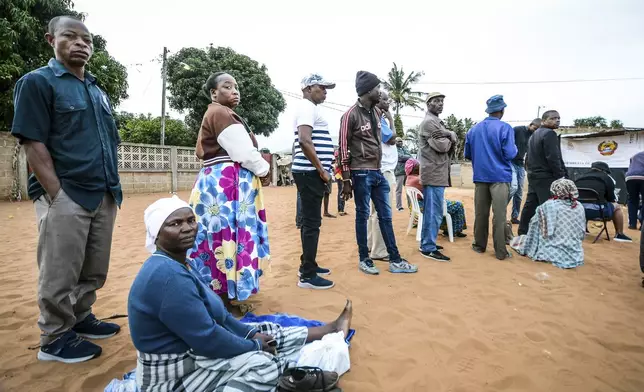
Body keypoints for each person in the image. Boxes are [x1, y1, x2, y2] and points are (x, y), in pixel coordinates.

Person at [129, 196, 351, 392]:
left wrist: (249, 336)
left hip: (194, 350)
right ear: (157, 234)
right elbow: (207, 338)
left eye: (190, 220)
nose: (187, 228)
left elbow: (222, 318)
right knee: (262, 364)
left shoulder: (180, 263)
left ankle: (331, 329)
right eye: (175, 224)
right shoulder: (167, 277)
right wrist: (253, 346)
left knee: (265, 331)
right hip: (172, 374)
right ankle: (286, 377)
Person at [11, 16, 121, 363]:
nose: (81, 44)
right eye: (70, 37)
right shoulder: (38, 83)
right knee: (60, 269)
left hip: (103, 192)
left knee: (93, 268)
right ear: (50, 40)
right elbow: (33, 141)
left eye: (86, 39)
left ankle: (81, 317)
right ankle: (55, 337)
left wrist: (111, 189)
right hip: (67, 193)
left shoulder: (96, 89)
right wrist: (56, 193)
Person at [188, 72, 271, 303]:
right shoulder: (220, 113)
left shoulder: (222, 113)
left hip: (220, 185)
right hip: (224, 187)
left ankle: (220, 292)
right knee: (226, 235)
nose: (235, 90)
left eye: (236, 86)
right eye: (227, 86)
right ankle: (222, 295)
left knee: (219, 236)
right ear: (214, 93)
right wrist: (264, 170)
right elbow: (243, 153)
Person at [339, 71, 418, 275]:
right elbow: (342, 147)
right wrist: (346, 179)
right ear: (367, 91)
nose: (380, 91)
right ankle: (364, 259)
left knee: (386, 216)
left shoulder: (376, 113)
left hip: (378, 171)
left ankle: (395, 259)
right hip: (360, 172)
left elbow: (387, 138)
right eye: (377, 88)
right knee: (363, 215)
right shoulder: (350, 115)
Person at [291, 74, 336, 289]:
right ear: (309, 88)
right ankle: (307, 275)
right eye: (322, 87)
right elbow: (304, 140)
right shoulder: (306, 107)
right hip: (310, 172)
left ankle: (309, 264)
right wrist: (321, 170)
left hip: (310, 172)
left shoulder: (310, 108)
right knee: (311, 224)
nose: (326, 92)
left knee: (311, 222)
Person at [464, 95, 517, 260]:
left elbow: (468, 154)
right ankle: (500, 251)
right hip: (500, 177)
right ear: (502, 110)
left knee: (481, 213)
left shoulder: (473, 130)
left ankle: (479, 245)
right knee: (499, 215)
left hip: (480, 176)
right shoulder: (505, 128)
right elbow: (510, 153)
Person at [510, 179, 586, 269]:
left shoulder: (549, 205)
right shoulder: (579, 206)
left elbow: (537, 229)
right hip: (575, 256)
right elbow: (582, 233)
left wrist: (527, 245)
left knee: (522, 239)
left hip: (550, 254)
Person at [418, 92, 457, 261]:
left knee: (433, 210)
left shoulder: (436, 123)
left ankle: (428, 242)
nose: (440, 104)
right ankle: (428, 247)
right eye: (436, 101)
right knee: (433, 211)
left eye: (441, 101)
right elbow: (442, 146)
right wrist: (452, 136)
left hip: (437, 171)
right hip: (433, 172)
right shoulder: (429, 123)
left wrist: (447, 133)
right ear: (428, 104)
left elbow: (443, 141)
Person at [517, 110, 567, 236]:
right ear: (544, 120)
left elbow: (528, 157)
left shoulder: (535, 134)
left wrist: (529, 171)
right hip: (545, 177)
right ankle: (547, 236)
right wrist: (560, 175)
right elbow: (553, 157)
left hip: (534, 175)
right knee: (547, 207)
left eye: (558, 118)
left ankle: (523, 232)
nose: (557, 120)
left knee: (531, 204)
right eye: (553, 118)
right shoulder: (549, 134)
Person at [368, 90, 398, 261]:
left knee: (373, 213)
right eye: (385, 100)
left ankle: (372, 247)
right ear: (378, 101)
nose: (388, 103)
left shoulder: (371, 116)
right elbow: (391, 139)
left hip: (377, 168)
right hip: (384, 170)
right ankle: (379, 251)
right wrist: (391, 119)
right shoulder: (380, 119)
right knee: (382, 213)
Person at [405, 159, 467, 237]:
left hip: (419, 205)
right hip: (427, 206)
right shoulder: (419, 179)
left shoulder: (409, 178)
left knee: (447, 204)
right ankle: (455, 230)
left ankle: (448, 229)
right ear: (416, 168)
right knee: (458, 205)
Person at [575, 161, 633, 242]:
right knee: (617, 206)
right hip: (597, 212)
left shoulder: (579, 178)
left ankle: (584, 229)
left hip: (577, 211)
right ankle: (619, 234)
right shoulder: (607, 178)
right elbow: (611, 199)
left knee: (584, 202)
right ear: (604, 171)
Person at [510, 119, 542, 224]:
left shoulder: (533, 136)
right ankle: (500, 211)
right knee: (513, 188)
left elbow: (529, 153)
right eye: (535, 128)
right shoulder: (517, 130)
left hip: (520, 164)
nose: (535, 131)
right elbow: (506, 141)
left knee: (519, 193)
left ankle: (514, 217)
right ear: (531, 124)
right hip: (510, 162)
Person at [626, 151, 644, 229]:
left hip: (630, 177)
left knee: (632, 200)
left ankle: (632, 224)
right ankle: (642, 225)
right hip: (642, 176)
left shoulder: (635, 155)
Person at [395, 138, 412, 211]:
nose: (400, 142)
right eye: (399, 141)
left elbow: (410, 156)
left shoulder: (404, 148)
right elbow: (401, 157)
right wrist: (407, 157)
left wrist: (406, 156)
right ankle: (399, 206)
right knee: (399, 190)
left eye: (401, 141)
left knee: (409, 189)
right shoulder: (394, 150)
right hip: (399, 172)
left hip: (406, 172)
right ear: (395, 142)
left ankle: (410, 205)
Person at [334, 149, 347, 216]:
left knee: (342, 190)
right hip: (340, 173)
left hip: (340, 173)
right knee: (341, 191)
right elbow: (339, 164)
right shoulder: (340, 152)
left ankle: (341, 209)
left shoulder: (338, 151)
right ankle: (340, 209)